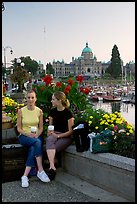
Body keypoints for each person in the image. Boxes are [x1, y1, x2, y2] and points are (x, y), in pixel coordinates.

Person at [17, 90, 50, 188]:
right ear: (26, 99)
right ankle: (40, 170)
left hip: (36, 136)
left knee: (33, 146)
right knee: (37, 142)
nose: (30, 100)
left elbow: (41, 128)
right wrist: (27, 133)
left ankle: (24, 176)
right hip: (24, 136)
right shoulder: (21, 111)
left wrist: (37, 134)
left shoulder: (39, 111)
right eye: (28, 97)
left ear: (35, 99)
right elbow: (19, 128)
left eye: (32, 97)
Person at [46, 91, 74, 180]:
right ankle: (52, 166)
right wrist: (50, 133)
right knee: (49, 140)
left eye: (53, 99)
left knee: (54, 147)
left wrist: (58, 136)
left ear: (59, 100)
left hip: (65, 136)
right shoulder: (52, 111)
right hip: (54, 134)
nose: (51, 101)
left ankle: (51, 167)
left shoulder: (68, 113)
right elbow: (50, 126)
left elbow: (70, 131)